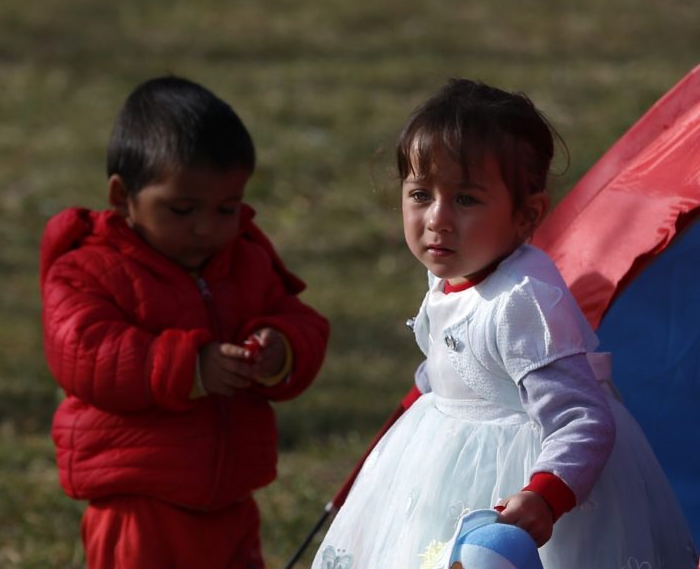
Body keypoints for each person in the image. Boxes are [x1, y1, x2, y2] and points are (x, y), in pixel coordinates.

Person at [312, 78, 697, 568]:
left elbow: (583, 418)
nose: (438, 218)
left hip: (521, 485)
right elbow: (448, 362)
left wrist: (545, 496)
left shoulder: (521, 303)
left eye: (466, 199)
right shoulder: (452, 271)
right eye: (420, 194)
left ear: (525, 215)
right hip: (445, 459)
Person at [39, 75, 330, 568]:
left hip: (231, 498)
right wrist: (191, 366)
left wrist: (280, 347)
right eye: (181, 208)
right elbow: (85, 353)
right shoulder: (88, 268)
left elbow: (297, 316)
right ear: (121, 196)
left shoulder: (245, 258)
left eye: (227, 208)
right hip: (138, 501)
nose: (206, 227)